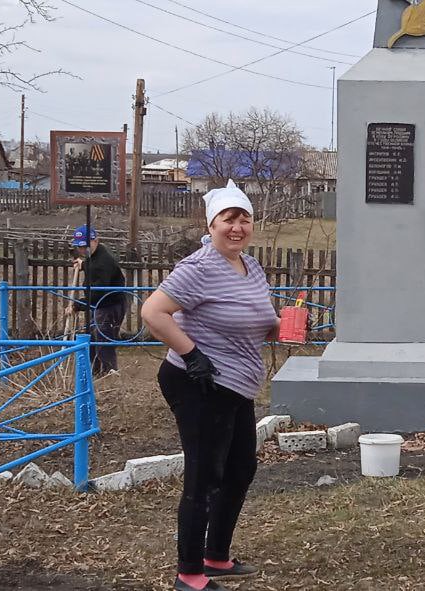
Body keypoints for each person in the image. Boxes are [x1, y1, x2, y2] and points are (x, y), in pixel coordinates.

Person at [141, 180, 279, 591]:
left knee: (240, 468)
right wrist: (192, 354)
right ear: (212, 224)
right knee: (204, 474)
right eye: (228, 219)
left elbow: (253, 316)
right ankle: (189, 573)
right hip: (197, 382)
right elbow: (153, 311)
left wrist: (277, 326)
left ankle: (216, 556)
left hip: (236, 383)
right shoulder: (199, 267)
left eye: (244, 219)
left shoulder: (249, 265)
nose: (237, 227)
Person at [71, 225, 127, 376]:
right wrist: (83, 265)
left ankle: (110, 373)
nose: (82, 250)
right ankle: (93, 373)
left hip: (109, 305)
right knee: (91, 339)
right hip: (99, 304)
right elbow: (92, 265)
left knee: (103, 340)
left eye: (85, 246)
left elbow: (97, 292)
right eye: (79, 247)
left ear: (96, 240)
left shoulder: (104, 261)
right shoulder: (95, 256)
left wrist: (77, 305)